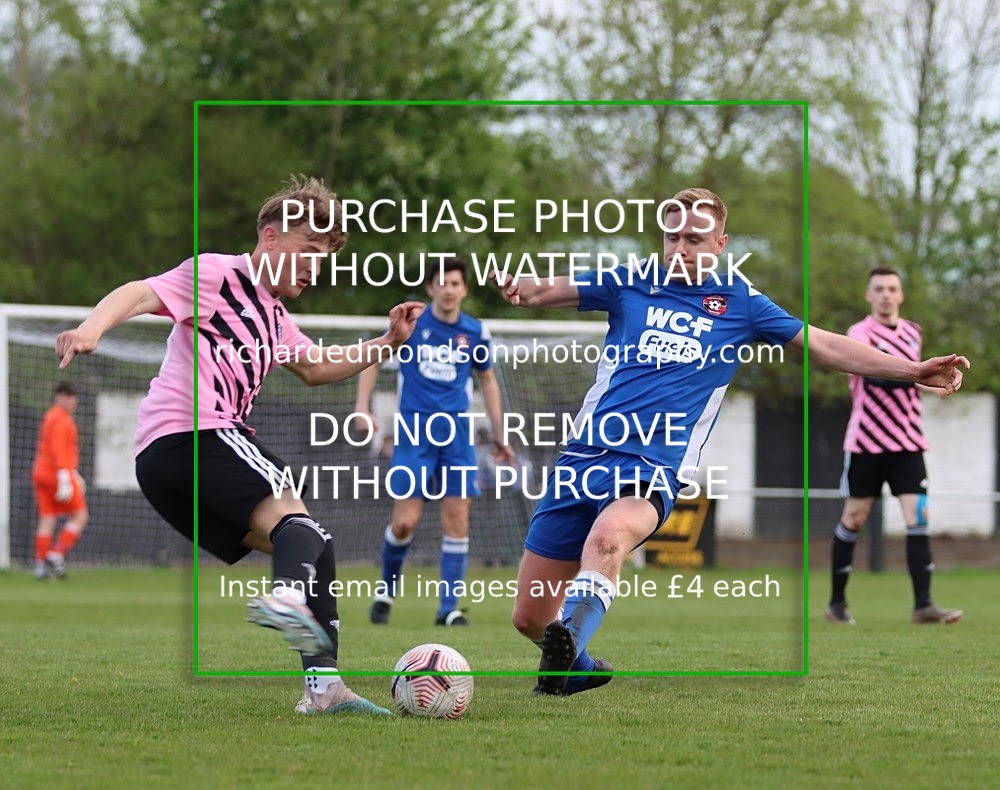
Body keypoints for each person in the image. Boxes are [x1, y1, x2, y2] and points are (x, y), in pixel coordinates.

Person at [491, 188, 969, 697]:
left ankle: (567, 653)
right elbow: (546, 292)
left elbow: (825, 345)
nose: (679, 248)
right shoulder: (631, 281)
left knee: (609, 538)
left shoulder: (741, 304)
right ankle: (576, 665)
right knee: (528, 618)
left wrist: (911, 370)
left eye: (694, 239)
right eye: (671, 237)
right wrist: (521, 286)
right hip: (582, 459)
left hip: (652, 465)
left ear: (721, 243)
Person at [55, 176, 424, 716]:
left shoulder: (274, 318)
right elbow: (139, 291)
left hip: (168, 462)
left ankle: (323, 690)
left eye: (322, 258)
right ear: (270, 238)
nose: (313, 266)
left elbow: (317, 368)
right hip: (193, 433)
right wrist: (92, 327)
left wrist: (388, 342)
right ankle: (285, 597)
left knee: (314, 543)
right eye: (307, 251)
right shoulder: (218, 273)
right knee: (296, 519)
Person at [355, 256, 515, 626]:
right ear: (430, 288)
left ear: (464, 289)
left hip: (457, 436)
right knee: (405, 524)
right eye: (441, 282)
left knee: (457, 520)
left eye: (456, 283)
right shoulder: (411, 325)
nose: (448, 289)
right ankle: (386, 591)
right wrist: (363, 408)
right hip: (413, 434)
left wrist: (499, 434)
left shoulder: (475, 331)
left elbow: (488, 382)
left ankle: (448, 609)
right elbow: (374, 358)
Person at [826, 267, 962, 625]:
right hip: (866, 442)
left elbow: (917, 380)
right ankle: (836, 604)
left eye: (892, 289)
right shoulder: (859, 334)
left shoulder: (913, 333)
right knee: (854, 519)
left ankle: (924, 606)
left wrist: (940, 382)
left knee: (918, 517)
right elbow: (874, 376)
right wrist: (920, 374)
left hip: (907, 441)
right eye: (879, 289)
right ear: (868, 295)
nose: (886, 294)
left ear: (900, 295)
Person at [32, 381, 88, 579]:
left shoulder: (49, 415)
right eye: (67, 396)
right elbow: (57, 449)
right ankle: (56, 554)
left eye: (73, 396)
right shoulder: (62, 419)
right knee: (80, 515)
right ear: (58, 397)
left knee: (47, 518)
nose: (71, 400)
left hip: (41, 472)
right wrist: (66, 474)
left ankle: (40, 565)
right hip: (57, 473)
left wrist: (72, 473)